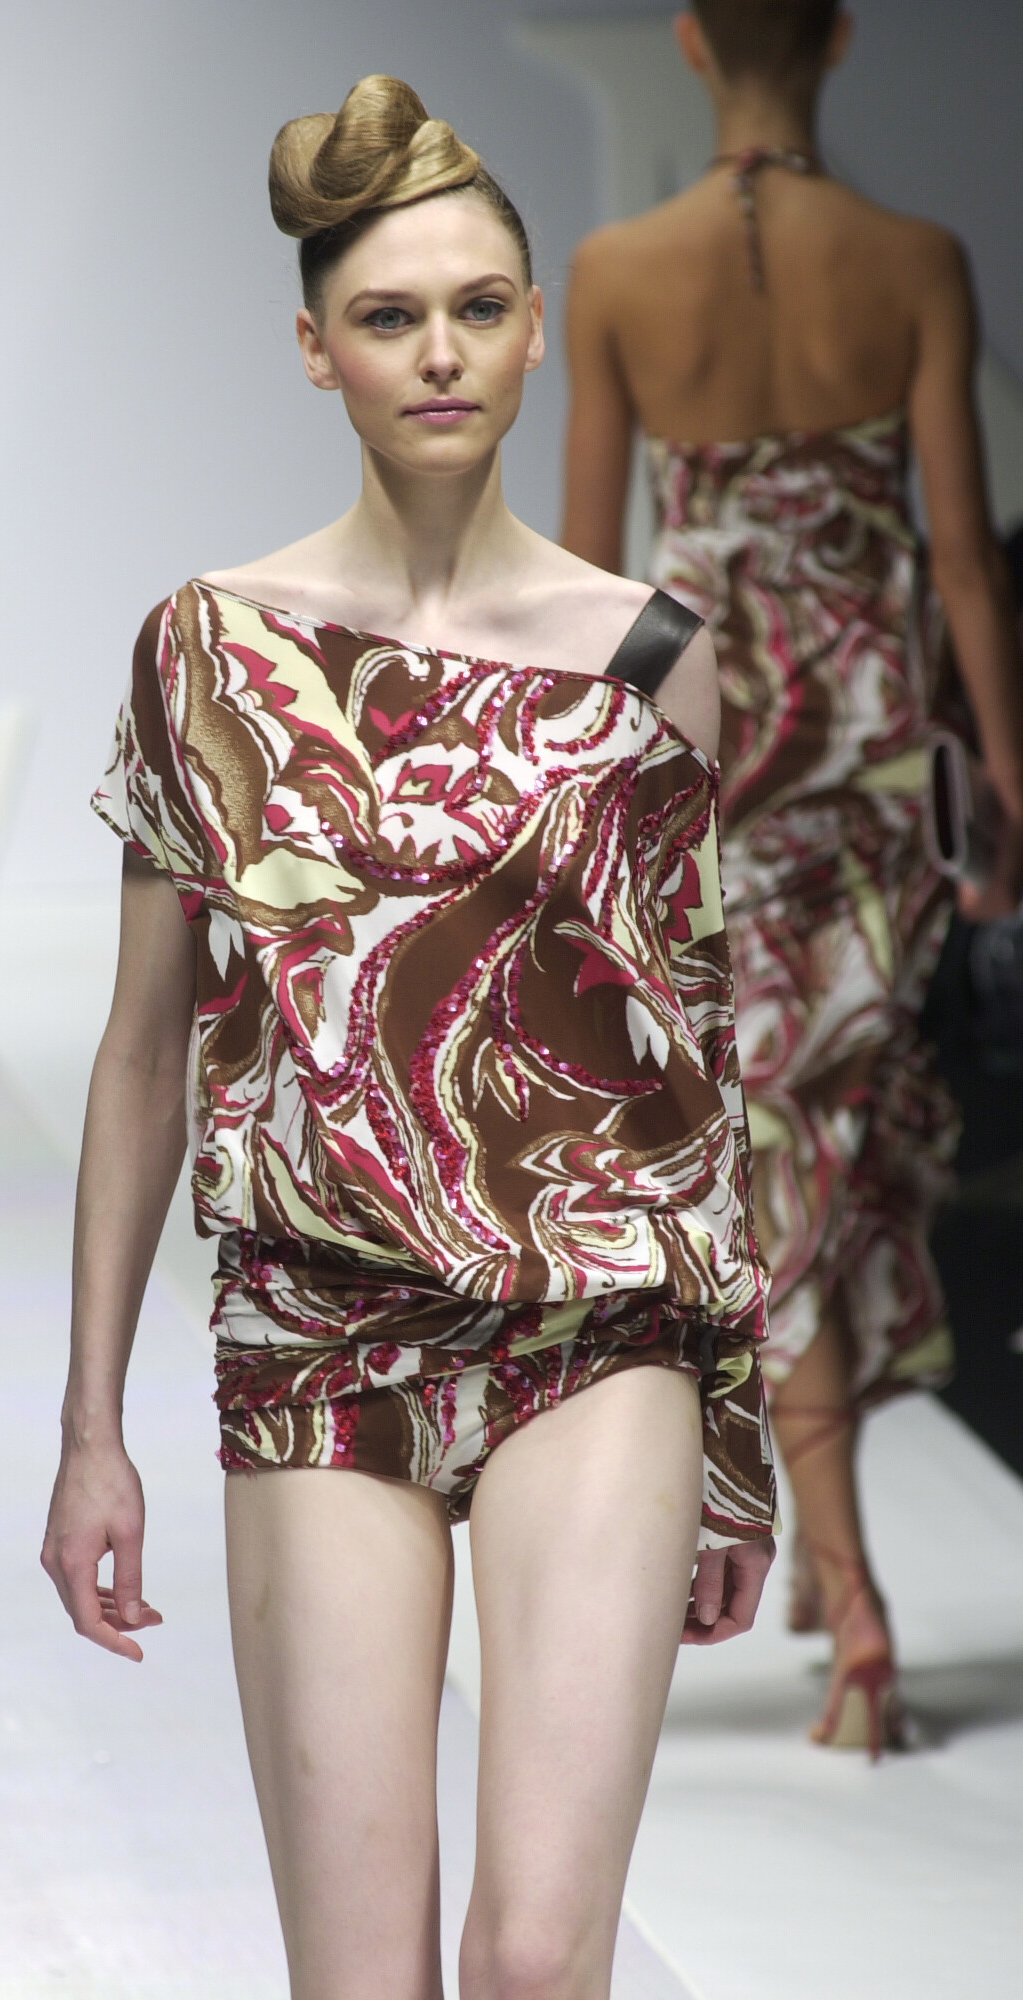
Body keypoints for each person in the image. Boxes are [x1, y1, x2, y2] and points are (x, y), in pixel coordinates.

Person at [43, 75, 775, 2000]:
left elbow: (697, 1061)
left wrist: (735, 1434)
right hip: (319, 1323)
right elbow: (142, 1052)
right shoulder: (210, 654)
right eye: (388, 316)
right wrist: (90, 1429)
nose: (438, 353)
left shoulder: (655, 660)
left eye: (476, 308)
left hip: (597, 1324)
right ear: (316, 349)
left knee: (535, 1960)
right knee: (361, 1980)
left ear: (535, 330)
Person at [561, 1, 1023, 1756]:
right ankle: (841, 1572)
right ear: (837, 37)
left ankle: (851, 1599)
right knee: (835, 1138)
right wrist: (1010, 785)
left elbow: (593, 581)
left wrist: (595, 796)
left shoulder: (615, 272)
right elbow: (963, 560)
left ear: (688, 45)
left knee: (786, 1155)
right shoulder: (917, 259)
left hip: (716, 763)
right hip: (874, 766)